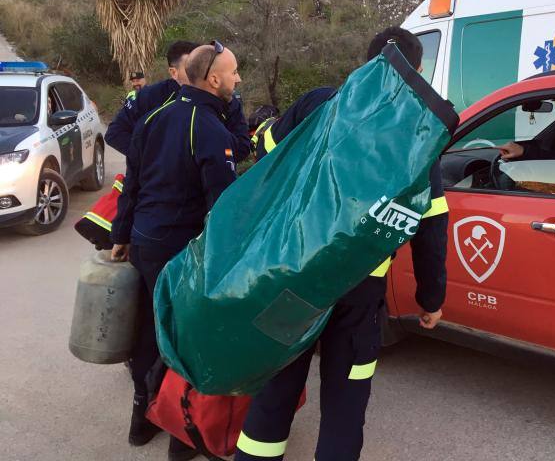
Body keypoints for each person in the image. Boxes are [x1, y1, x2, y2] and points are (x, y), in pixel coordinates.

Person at [236, 27, 449, 461]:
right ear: (418, 70)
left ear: (366, 60)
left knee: (276, 388)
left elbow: (268, 150)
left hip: (295, 275)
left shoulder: (320, 101)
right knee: (346, 404)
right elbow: (431, 226)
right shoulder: (417, 132)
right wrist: (431, 299)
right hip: (360, 291)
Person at [110, 41, 241, 461]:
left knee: (151, 327)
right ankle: (182, 438)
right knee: (183, 338)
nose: (238, 80)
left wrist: (121, 233)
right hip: (179, 252)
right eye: (234, 72)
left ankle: (140, 420)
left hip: (146, 243)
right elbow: (221, 209)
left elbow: (131, 185)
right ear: (213, 78)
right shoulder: (209, 129)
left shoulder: (153, 117)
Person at [106, 41, 251, 163]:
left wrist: (212, 153)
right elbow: (115, 133)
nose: (197, 72)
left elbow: (242, 147)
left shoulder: (226, 99)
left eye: (200, 66)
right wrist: (153, 159)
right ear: (173, 72)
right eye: (190, 67)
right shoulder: (150, 96)